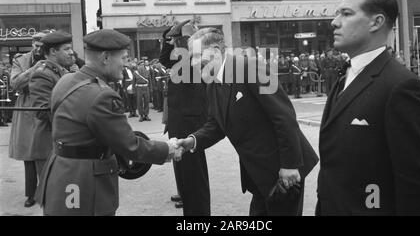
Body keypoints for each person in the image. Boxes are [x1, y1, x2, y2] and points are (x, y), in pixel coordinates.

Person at [316, 0, 420, 216]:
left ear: (376, 22)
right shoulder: (346, 76)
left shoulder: (401, 87)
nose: (334, 22)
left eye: (346, 13)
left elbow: (418, 185)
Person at [34, 29, 180, 216]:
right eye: (124, 58)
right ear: (105, 58)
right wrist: (168, 148)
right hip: (83, 182)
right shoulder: (102, 95)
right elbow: (130, 146)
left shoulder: (65, 80)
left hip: (61, 173)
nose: (126, 64)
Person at [177, 28, 319, 216]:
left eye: (197, 56)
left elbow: (283, 116)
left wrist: (290, 165)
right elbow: (216, 125)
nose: (193, 63)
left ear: (217, 50)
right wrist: (192, 141)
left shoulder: (251, 67)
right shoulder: (212, 83)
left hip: (283, 172)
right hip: (259, 175)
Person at [159, 20, 211, 216]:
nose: (176, 44)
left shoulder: (197, 58)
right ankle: (190, 209)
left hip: (191, 124)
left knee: (194, 176)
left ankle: (199, 216)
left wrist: (187, 37)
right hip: (179, 122)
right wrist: (169, 36)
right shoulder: (183, 58)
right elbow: (164, 59)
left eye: (179, 40)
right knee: (184, 174)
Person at [8, 32, 47, 208]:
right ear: (32, 43)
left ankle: (46, 190)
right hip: (26, 106)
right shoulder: (20, 60)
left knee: (46, 151)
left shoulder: (52, 56)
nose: (38, 49)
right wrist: (35, 68)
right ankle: (31, 194)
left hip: (46, 103)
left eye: (41, 46)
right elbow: (15, 83)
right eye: (36, 45)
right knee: (28, 154)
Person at [28, 31, 74, 180]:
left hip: (62, 143)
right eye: (66, 49)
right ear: (53, 52)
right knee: (53, 197)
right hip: (49, 146)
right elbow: (43, 111)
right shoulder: (42, 74)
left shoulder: (62, 72)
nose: (71, 52)